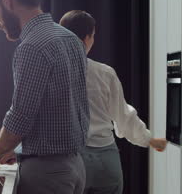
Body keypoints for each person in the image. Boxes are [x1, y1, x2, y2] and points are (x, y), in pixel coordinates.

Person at [0, 0, 89, 194]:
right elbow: (62, 109)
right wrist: (16, 149)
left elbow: (21, 114)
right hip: (76, 167)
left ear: (7, 1)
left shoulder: (32, 46)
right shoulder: (70, 38)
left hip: (47, 174)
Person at [59, 10, 168, 194]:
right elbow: (123, 116)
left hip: (71, 159)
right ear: (87, 38)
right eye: (93, 36)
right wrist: (149, 139)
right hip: (106, 161)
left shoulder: (53, 72)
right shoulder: (104, 73)